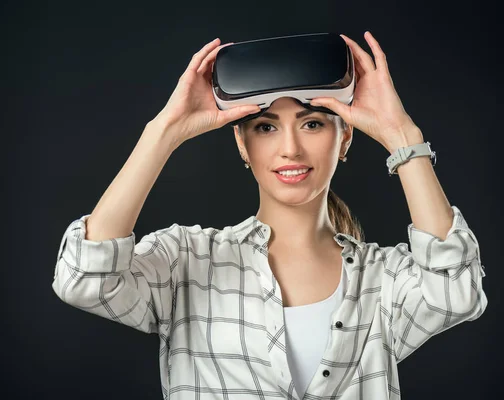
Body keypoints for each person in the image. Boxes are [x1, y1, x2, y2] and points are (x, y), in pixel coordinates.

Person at [52, 32, 488, 399]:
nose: (290, 149)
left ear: (346, 135)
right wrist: (163, 132)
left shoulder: (383, 279)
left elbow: (456, 292)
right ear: (242, 143)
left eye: (313, 123)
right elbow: (85, 280)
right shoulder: (188, 260)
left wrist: (401, 135)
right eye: (266, 127)